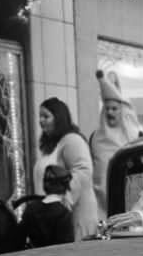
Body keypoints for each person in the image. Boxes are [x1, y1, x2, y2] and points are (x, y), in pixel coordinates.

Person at [35, 97, 98, 239]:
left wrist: (65, 201)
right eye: (40, 116)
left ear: (59, 118)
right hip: (56, 216)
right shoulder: (52, 145)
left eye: (46, 116)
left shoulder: (72, 140)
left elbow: (83, 171)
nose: (41, 121)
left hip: (74, 215)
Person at [88, 70, 143, 221]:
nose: (110, 112)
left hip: (129, 206)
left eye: (114, 109)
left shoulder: (136, 137)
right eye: (107, 109)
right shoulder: (95, 138)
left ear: (122, 110)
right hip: (100, 209)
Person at [21, 164, 76, 248]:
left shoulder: (31, 208)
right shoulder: (63, 214)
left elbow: (19, 237)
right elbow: (67, 247)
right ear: (65, 188)